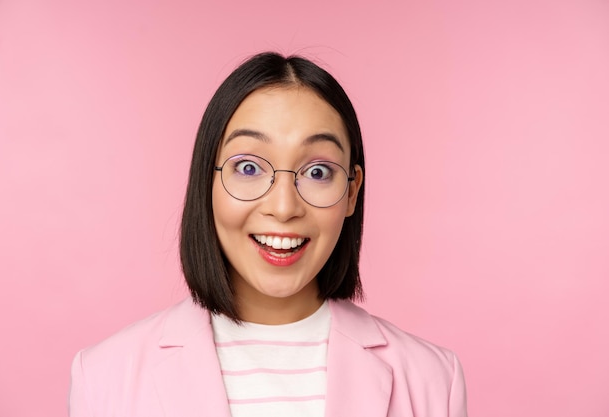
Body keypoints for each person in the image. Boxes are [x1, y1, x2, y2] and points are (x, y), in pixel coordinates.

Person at [69, 52, 468, 417]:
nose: (283, 207)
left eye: (317, 172)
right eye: (248, 167)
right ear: (205, 181)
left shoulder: (433, 379)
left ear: (351, 191)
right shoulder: (104, 377)